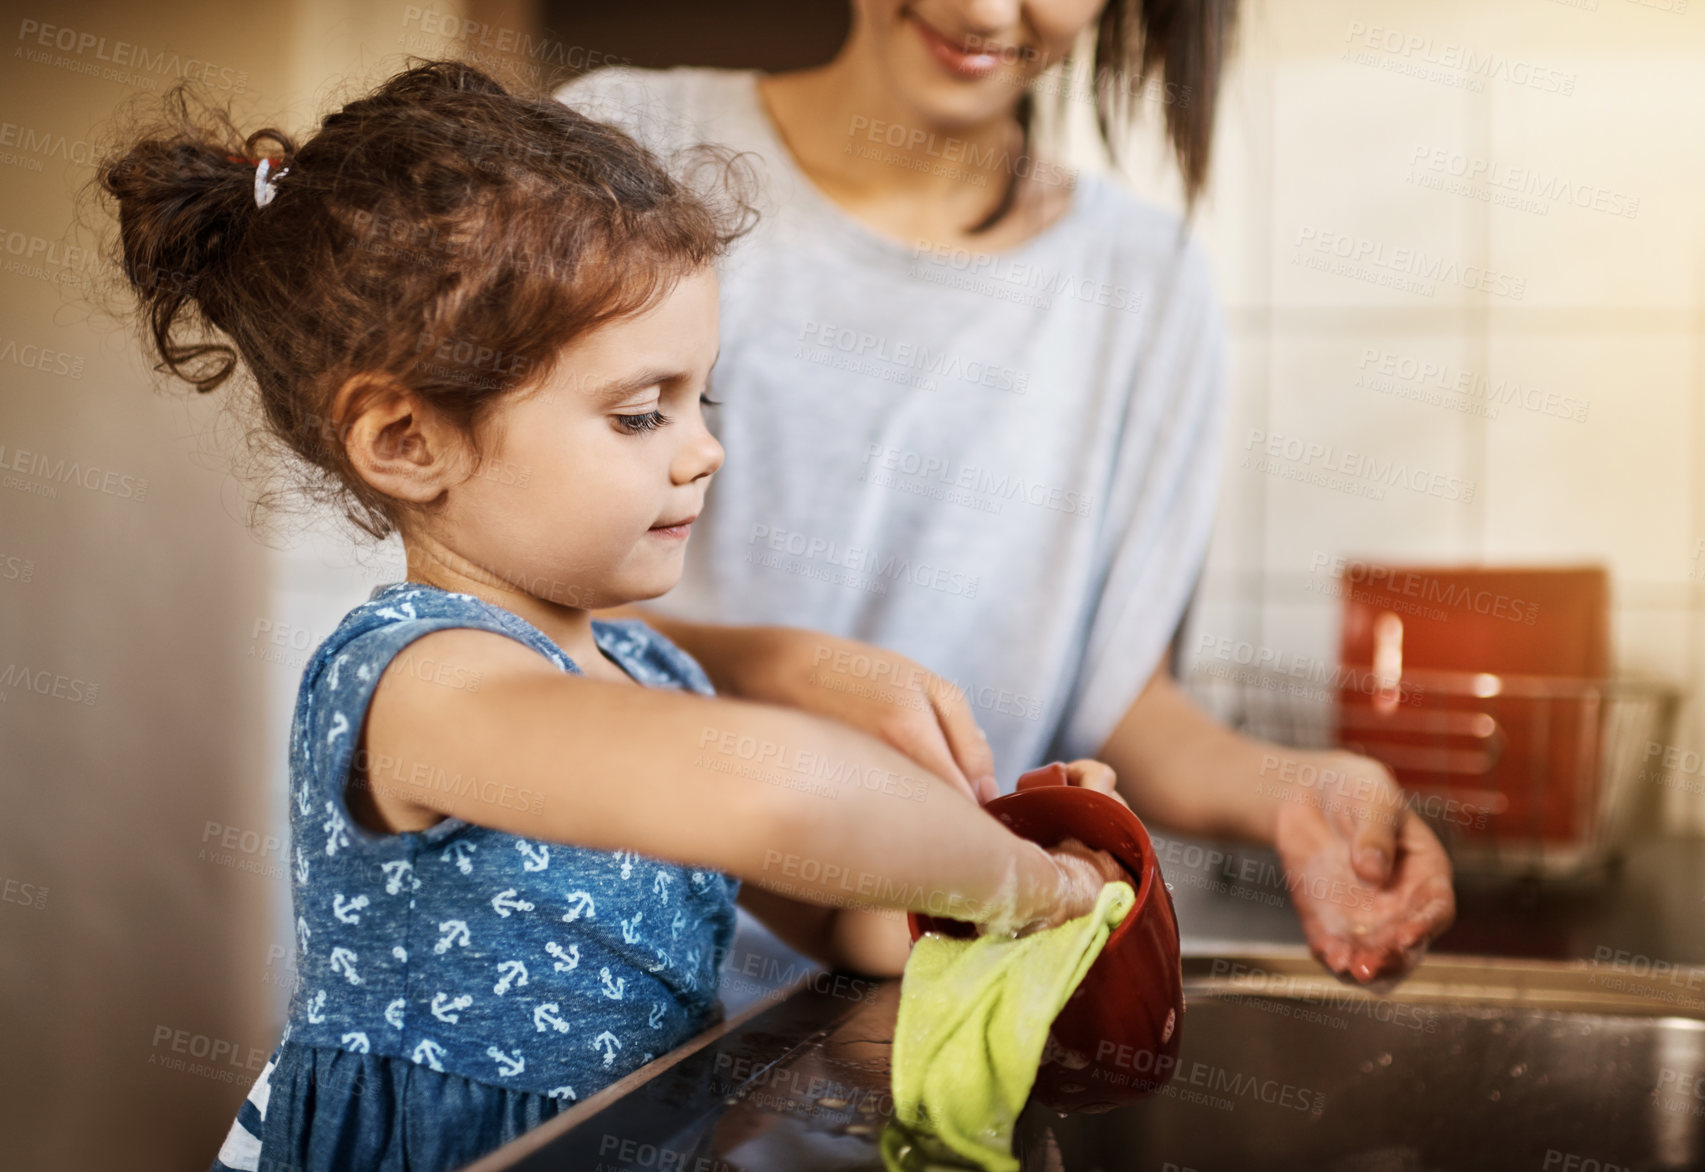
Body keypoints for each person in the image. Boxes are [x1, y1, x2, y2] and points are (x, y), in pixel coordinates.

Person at [98, 60, 1126, 1172]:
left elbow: (847, 922)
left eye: (701, 398)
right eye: (640, 414)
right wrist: (1010, 877)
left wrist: (1020, 864)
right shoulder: (421, 683)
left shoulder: (648, 673)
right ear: (407, 440)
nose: (703, 448)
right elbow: (776, 794)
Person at [556, 0, 1456, 986]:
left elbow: (1125, 704)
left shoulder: (1141, 279)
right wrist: (781, 669)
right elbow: (474, 618)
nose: (987, 11)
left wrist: (1299, 788)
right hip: (593, 986)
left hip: (921, 983)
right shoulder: (625, 150)